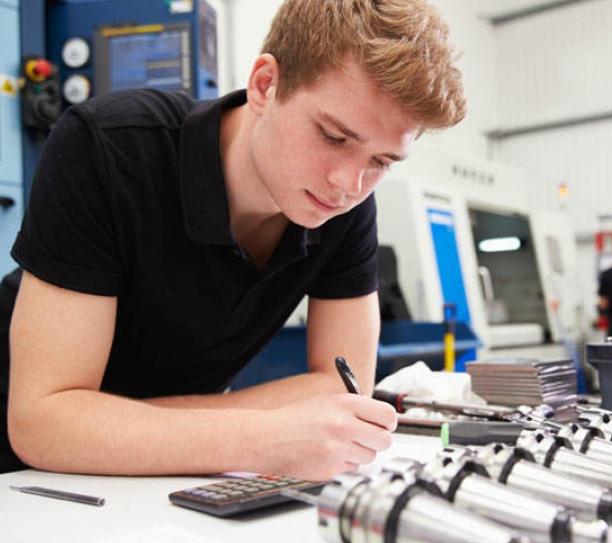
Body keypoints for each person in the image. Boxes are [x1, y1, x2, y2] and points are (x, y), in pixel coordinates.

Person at [0, 0, 466, 477]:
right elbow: (44, 422)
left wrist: (124, 428)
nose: (349, 183)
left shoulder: (345, 209)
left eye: (382, 161)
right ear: (265, 85)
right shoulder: (109, 147)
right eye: (332, 136)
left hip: (159, 477)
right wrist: (262, 436)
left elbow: (343, 387)